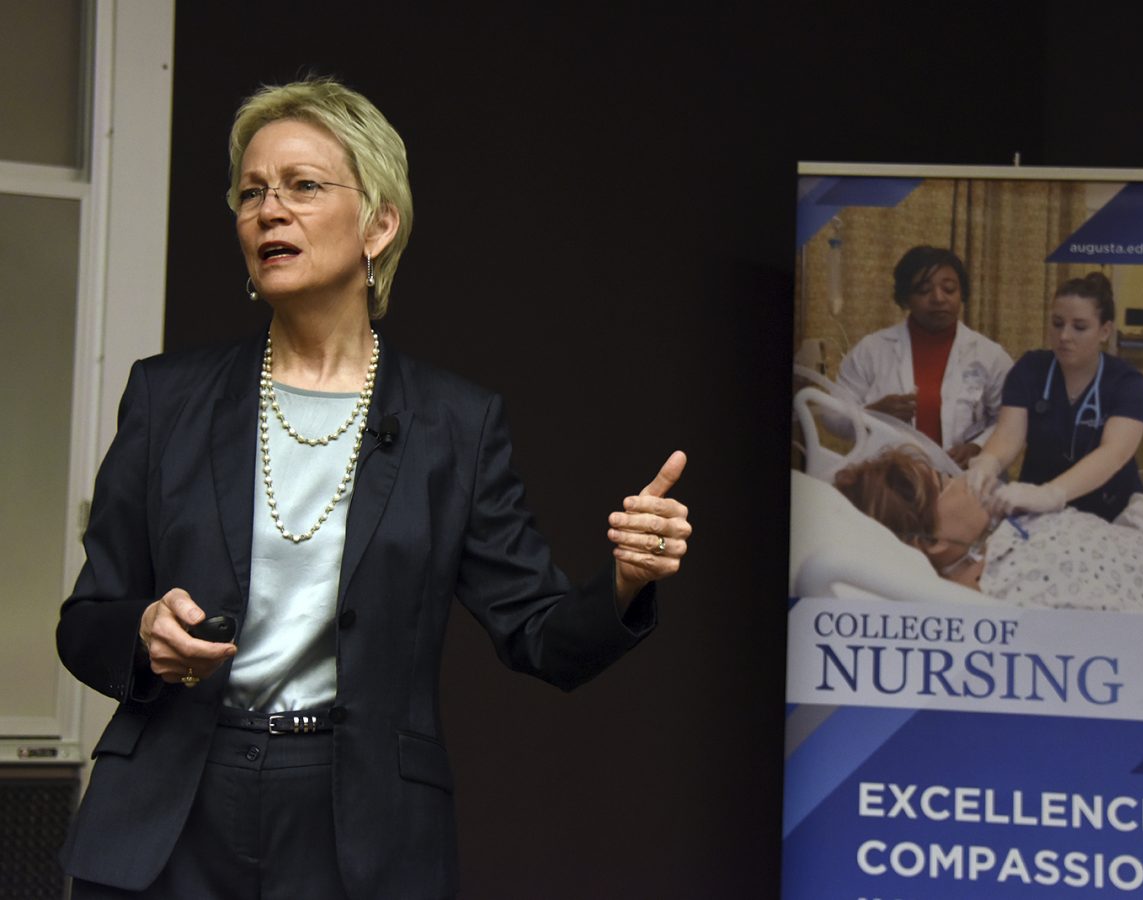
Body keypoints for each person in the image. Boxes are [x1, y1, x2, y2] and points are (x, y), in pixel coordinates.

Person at [55, 77, 692, 899]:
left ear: (379, 225)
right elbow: (86, 622)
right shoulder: (165, 397)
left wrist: (626, 584)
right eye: (251, 192)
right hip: (169, 810)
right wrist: (141, 631)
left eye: (302, 187)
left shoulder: (454, 424)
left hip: (356, 823)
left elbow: (538, 634)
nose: (268, 210)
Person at [833, 447, 1143, 615]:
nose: (963, 479)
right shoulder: (1002, 594)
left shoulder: (994, 529)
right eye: (946, 482)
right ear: (933, 542)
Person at [967, 272, 1143, 522]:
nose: (1064, 336)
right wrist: (989, 461)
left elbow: (1114, 452)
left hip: (1110, 508)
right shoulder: (1030, 369)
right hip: (1037, 510)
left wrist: (1052, 494)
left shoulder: (1126, 382)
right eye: (1057, 323)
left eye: (1079, 327)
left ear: (1105, 331)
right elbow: (1008, 436)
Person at [835, 245, 1012, 467]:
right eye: (923, 290)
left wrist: (979, 446)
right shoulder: (871, 350)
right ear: (905, 298)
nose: (938, 298)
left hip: (961, 479)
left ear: (962, 294)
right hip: (888, 479)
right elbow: (832, 417)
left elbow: (1011, 420)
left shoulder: (990, 355)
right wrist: (872, 414)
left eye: (949, 289)